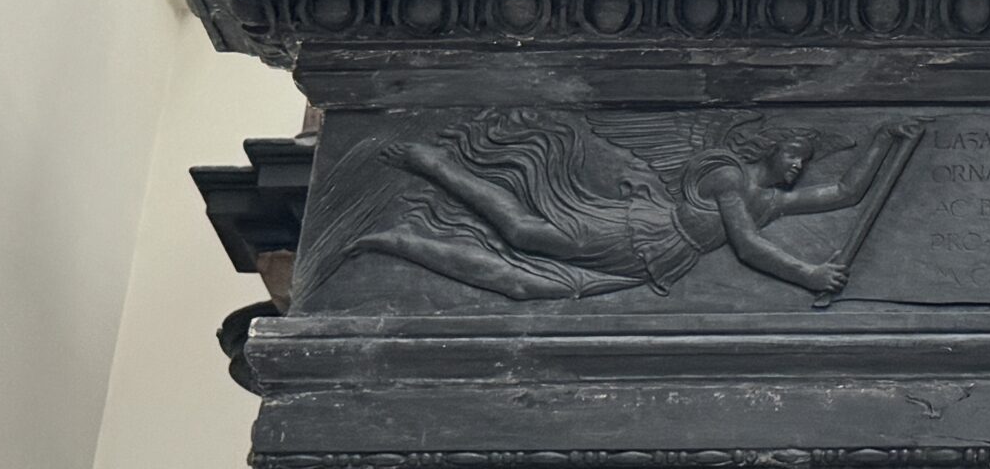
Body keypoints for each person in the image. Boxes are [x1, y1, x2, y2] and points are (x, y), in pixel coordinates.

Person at [311, 114, 920, 302]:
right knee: (523, 231)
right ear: (769, 147)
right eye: (793, 154)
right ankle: (434, 164)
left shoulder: (771, 201)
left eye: (803, 160)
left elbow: (846, 194)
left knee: (528, 286)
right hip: (638, 234)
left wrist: (885, 140)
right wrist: (808, 274)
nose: (798, 167)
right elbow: (747, 247)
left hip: (660, 261)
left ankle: (398, 240)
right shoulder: (727, 175)